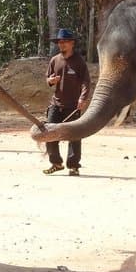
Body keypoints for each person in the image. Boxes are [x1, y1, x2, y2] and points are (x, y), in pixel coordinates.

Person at [43, 28, 92, 176]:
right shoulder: (54, 60)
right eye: (60, 42)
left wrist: (82, 98)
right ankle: (56, 163)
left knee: (74, 136)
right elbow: (48, 80)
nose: (61, 44)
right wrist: (50, 81)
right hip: (56, 104)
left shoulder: (79, 62)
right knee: (49, 134)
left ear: (72, 43)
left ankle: (73, 165)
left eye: (65, 42)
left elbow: (86, 82)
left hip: (73, 106)